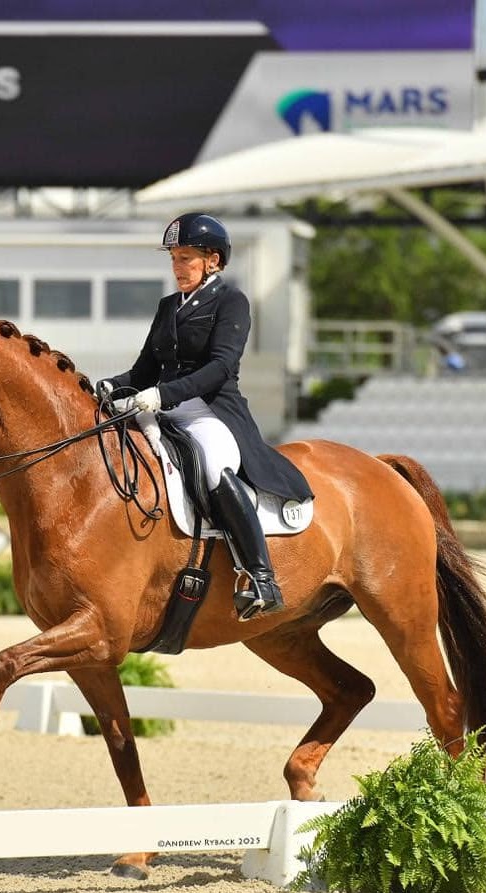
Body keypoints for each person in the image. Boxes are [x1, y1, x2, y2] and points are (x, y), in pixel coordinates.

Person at [97, 213, 312, 620]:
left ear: (212, 261)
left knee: (215, 467)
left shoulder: (232, 302)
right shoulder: (167, 307)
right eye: (174, 259)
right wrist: (109, 385)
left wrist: (163, 394)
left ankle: (262, 576)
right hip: (161, 408)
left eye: (186, 258)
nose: (178, 268)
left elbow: (220, 366)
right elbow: (143, 369)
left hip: (210, 412)